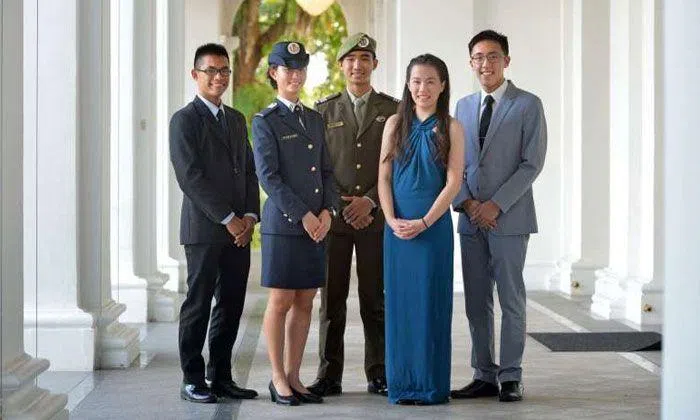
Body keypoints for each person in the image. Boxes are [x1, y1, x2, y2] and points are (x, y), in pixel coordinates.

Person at [450, 30, 547, 403]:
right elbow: (453, 162)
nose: (485, 63)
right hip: (470, 219)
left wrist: (496, 205)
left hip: (510, 219)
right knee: (476, 301)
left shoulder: (528, 105)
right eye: (478, 57)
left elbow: (531, 163)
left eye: (493, 56)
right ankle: (483, 374)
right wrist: (467, 203)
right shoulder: (462, 106)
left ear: (506, 61)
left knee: (511, 299)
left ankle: (510, 376)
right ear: (470, 63)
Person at [308, 33, 398, 398]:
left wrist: (370, 201)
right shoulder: (323, 111)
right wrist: (340, 204)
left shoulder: (393, 109)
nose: (358, 65)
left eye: (364, 58)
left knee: (375, 299)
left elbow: (398, 164)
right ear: (341, 65)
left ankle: (379, 373)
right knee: (332, 301)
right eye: (351, 59)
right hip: (335, 219)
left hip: (375, 219)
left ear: (375, 64)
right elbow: (317, 167)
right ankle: (329, 375)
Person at [170, 43, 260, 403]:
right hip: (204, 231)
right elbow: (190, 177)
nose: (219, 77)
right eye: (211, 70)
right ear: (196, 75)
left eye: (224, 70)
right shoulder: (184, 120)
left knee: (231, 303)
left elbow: (249, 171)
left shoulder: (236, 119)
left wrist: (249, 216)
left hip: (239, 232)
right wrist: (228, 219)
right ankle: (192, 379)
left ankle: (221, 376)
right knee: (199, 303)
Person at [252, 41, 338, 407]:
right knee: (281, 300)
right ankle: (276, 378)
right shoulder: (265, 121)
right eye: (289, 69)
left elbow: (328, 172)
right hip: (286, 224)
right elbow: (269, 177)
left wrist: (328, 212)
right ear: (274, 73)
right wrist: (304, 215)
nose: (296, 76)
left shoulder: (314, 119)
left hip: (316, 225)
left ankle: (294, 375)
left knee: (306, 299)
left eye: (301, 69)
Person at [378, 54, 464, 405]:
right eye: (416, 81)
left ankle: (430, 385)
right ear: (407, 84)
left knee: (431, 304)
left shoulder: (452, 127)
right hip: (397, 231)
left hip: (432, 230)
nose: (422, 88)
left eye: (430, 81)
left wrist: (425, 221)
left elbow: (454, 182)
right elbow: (383, 178)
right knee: (400, 307)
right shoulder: (393, 124)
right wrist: (390, 219)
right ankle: (402, 385)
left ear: (442, 85)